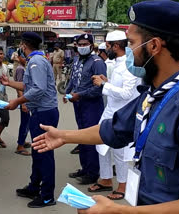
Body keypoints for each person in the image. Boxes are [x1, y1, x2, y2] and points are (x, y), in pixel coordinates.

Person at [32, 0, 179, 213]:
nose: (128, 51)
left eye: (131, 43)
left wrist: (120, 211)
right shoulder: (155, 95)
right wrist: (64, 136)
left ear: (154, 46)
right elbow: (114, 128)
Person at [0, 32, 59, 208]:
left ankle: (47, 195)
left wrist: (17, 101)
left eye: (21, 46)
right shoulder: (37, 61)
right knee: (37, 152)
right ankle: (34, 187)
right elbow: (30, 86)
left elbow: (38, 90)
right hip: (41, 112)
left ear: (24, 46)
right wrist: (9, 83)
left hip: (44, 113)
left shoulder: (35, 62)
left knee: (44, 154)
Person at [89, 30, 141, 200]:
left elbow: (127, 94)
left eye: (108, 46)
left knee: (119, 152)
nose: (105, 49)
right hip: (110, 111)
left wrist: (104, 85)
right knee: (101, 146)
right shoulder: (118, 62)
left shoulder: (129, 64)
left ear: (116, 46)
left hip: (123, 115)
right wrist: (108, 82)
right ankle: (105, 179)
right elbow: (118, 88)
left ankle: (123, 185)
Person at [65, 33, 106, 185]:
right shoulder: (76, 60)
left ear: (91, 45)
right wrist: (68, 92)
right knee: (81, 136)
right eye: (79, 44)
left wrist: (78, 95)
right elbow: (73, 79)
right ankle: (85, 167)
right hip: (79, 103)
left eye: (85, 44)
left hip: (92, 104)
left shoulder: (97, 62)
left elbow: (99, 89)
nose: (82, 47)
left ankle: (93, 172)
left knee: (90, 138)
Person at [14, 54, 31, 156]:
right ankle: (20, 146)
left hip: (26, 99)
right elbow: (19, 87)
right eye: (24, 57)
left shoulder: (24, 67)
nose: (26, 58)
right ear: (19, 58)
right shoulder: (20, 69)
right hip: (24, 100)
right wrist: (23, 103)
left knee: (26, 122)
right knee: (25, 123)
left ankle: (22, 141)